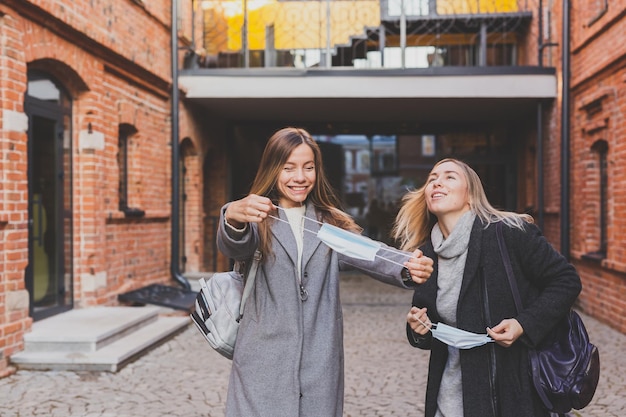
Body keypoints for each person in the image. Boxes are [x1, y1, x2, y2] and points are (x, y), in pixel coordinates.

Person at [216, 127, 434, 417]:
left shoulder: (327, 224)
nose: (300, 177)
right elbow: (234, 245)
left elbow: (370, 253)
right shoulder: (257, 217)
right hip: (262, 361)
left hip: (319, 362)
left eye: (309, 167)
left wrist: (407, 266)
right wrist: (232, 215)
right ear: (272, 169)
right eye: (289, 167)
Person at [392, 158, 582, 417]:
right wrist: (418, 328)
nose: (437, 181)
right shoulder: (426, 256)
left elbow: (566, 281)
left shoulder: (510, 233)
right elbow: (428, 324)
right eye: (432, 178)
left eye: (450, 176)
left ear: (470, 195)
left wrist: (523, 324)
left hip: (510, 393)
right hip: (449, 394)